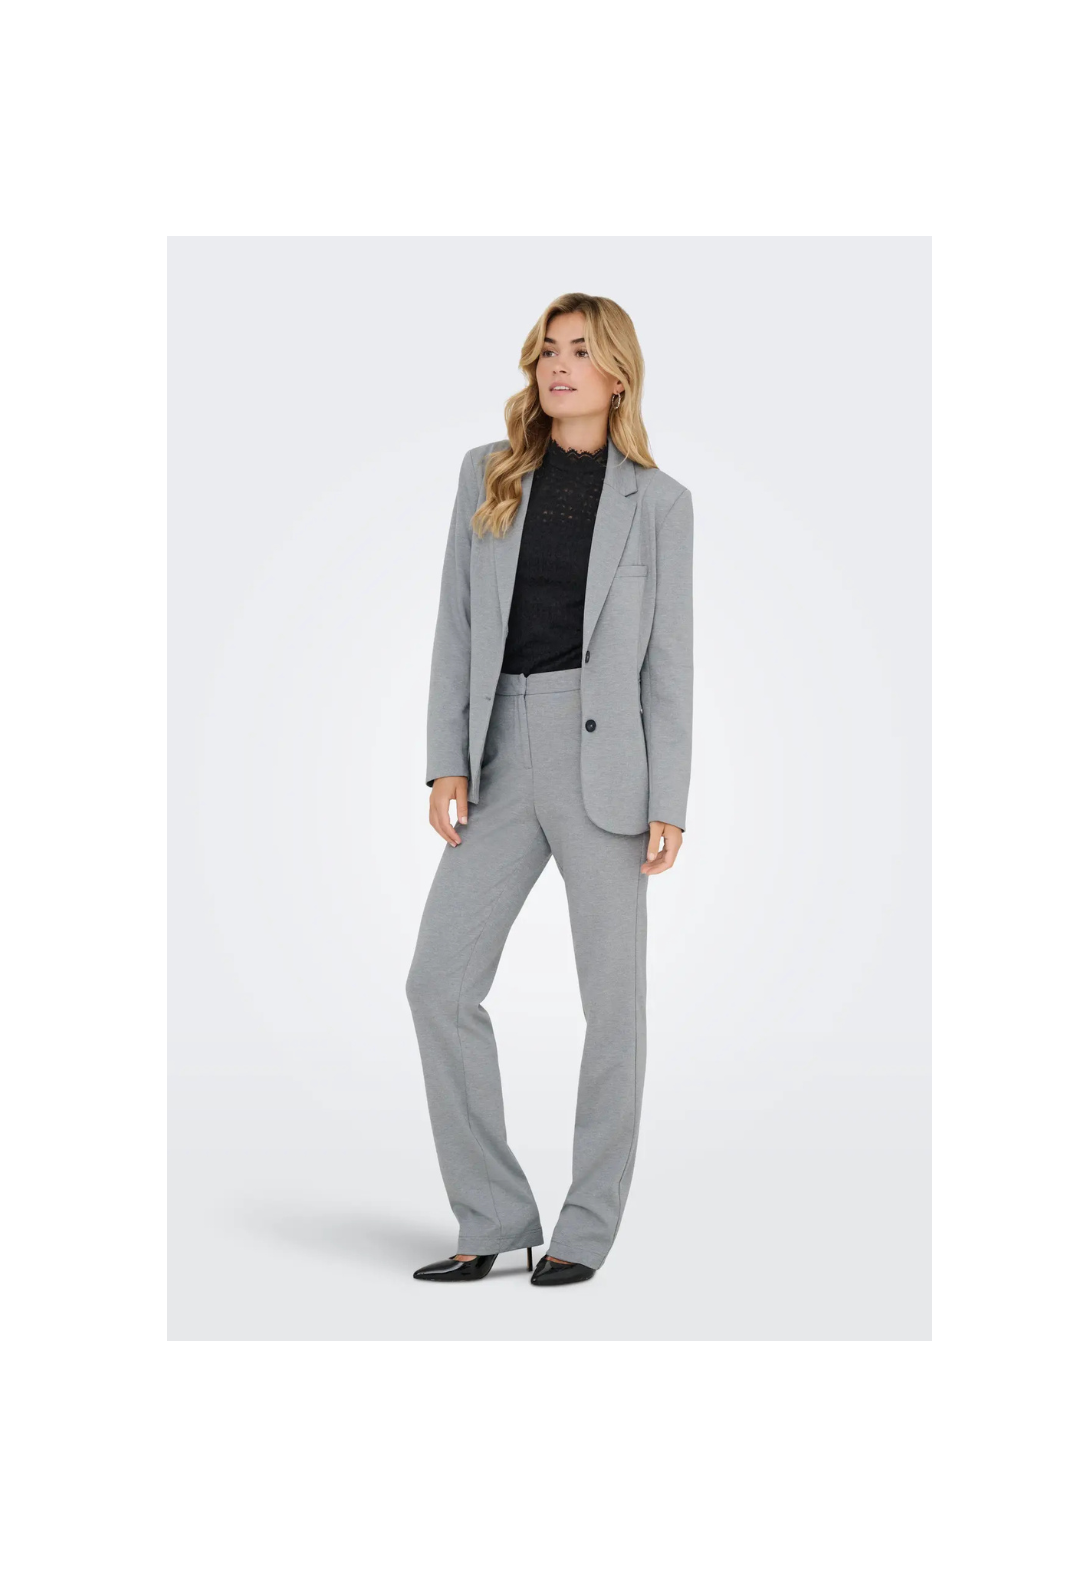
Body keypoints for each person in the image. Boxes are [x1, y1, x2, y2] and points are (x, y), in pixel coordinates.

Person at [405, 292, 693, 1286]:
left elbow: (669, 663)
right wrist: (446, 757)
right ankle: (491, 1214)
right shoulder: (486, 473)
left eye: (579, 351)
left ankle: (586, 1226)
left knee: (612, 1008)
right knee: (437, 985)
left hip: (607, 767)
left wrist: (670, 797)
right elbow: (455, 623)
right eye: (546, 352)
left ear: (616, 374)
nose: (557, 367)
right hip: (497, 754)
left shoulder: (660, 503)